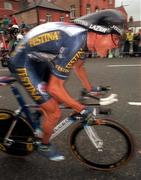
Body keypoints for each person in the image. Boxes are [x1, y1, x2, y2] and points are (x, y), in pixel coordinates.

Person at [9, 9, 126, 161]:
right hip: (22, 61)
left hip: (36, 58)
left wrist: (90, 89)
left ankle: (37, 115)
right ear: (100, 32)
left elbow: (79, 67)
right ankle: (43, 145)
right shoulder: (75, 41)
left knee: (55, 98)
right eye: (115, 38)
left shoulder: (84, 40)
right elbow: (54, 87)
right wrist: (82, 109)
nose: (116, 45)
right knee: (54, 112)